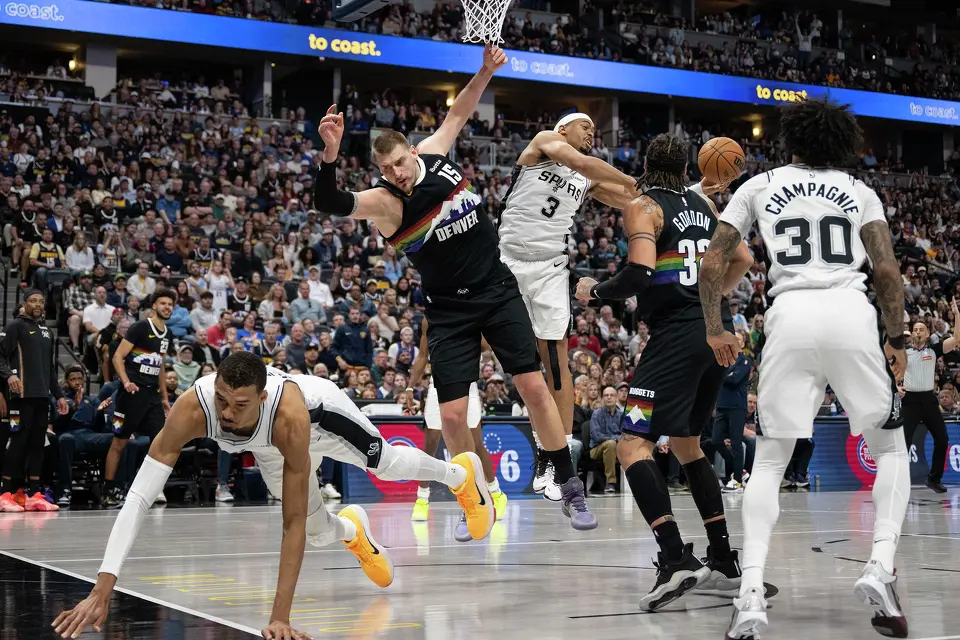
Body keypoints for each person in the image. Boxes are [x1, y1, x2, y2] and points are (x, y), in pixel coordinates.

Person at [315, 44, 596, 530]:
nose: (397, 174)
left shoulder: (434, 154)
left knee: (533, 385)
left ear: (410, 151)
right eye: (386, 169)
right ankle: (477, 499)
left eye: (400, 162)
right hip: (448, 311)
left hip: (497, 288)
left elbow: (460, 110)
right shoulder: (384, 202)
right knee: (450, 419)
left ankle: (570, 486)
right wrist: (330, 154)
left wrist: (485, 70)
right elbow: (329, 200)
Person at [52, 353, 494, 639]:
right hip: (268, 451)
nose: (226, 414)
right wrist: (103, 586)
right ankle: (352, 530)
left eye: (239, 405)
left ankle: (458, 476)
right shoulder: (194, 408)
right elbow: (138, 498)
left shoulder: (288, 417)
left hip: (322, 418)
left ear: (261, 398)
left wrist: (279, 616)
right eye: (222, 400)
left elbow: (290, 523)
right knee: (321, 534)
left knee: (385, 464)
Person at [699, 99, 910, 639]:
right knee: (889, 447)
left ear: (790, 137)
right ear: (842, 142)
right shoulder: (860, 192)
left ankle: (750, 595)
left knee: (769, 461)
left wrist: (716, 325)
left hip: (789, 316)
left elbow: (712, 262)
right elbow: (885, 270)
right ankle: (881, 564)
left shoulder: (760, 185)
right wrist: (898, 336)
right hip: (849, 314)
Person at [574, 133, 753, 610]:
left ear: (646, 166)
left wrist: (593, 291)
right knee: (690, 445)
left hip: (675, 336)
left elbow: (638, 275)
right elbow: (743, 259)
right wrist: (710, 299)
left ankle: (674, 558)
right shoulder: (704, 206)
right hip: (717, 333)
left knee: (633, 443)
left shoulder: (644, 206)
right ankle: (722, 559)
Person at [496, 112, 639, 497]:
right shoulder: (544, 143)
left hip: (549, 267)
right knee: (487, 343)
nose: (592, 133)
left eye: (595, 128)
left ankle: (552, 457)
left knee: (557, 361)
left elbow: (632, 200)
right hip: (507, 258)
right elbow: (582, 163)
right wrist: (629, 179)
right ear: (563, 129)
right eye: (585, 126)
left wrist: (676, 192)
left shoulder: (587, 179)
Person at [407, 315, 507, 536]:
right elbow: (423, 355)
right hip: (438, 385)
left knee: (476, 446)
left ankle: (495, 492)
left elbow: (488, 345)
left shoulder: (469, 314)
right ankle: (422, 498)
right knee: (430, 445)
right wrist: (409, 388)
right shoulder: (428, 319)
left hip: (467, 386)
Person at [103, 290, 176, 508]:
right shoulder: (140, 327)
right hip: (131, 394)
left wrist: (164, 397)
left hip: (152, 396)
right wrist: (125, 381)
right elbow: (117, 356)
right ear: (154, 306)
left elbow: (160, 366)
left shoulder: (167, 333)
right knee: (119, 443)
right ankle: (108, 491)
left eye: (170, 304)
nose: (167, 307)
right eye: (163, 303)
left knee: (160, 441)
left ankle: (151, 488)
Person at [0, 289, 68, 512]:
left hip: (42, 397)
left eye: (41, 301)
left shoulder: (47, 331)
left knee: (38, 445)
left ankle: (32, 493)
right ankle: (5, 494)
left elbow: (49, 369)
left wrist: (59, 396)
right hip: (21, 397)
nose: (37, 304)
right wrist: (9, 375)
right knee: (18, 443)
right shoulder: (15, 327)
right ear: (24, 303)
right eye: (32, 301)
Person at [902, 307, 956, 493]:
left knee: (942, 440)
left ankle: (934, 479)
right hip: (909, 401)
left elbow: (956, 340)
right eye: (915, 329)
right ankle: (899, 480)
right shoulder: (903, 352)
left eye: (921, 329)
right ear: (911, 333)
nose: (917, 332)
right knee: (904, 443)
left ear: (927, 334)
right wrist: (897, 386)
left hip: (929, 400)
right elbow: (890, 370)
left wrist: (957, 315)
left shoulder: (934, 349)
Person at [714, 332, 753, 492]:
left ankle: (737, 481)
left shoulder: (744, 360)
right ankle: (740, 470)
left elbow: (734, 380)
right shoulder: (723, 359)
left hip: (737, 406)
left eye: (738, 339)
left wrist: (723, 376)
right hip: (722, 405)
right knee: (716, 441)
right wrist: (725, 375)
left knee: (736, 443)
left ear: (742, 343)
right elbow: (720, 377)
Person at [589, 386, 622, 493]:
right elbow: (597, 436)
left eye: (611, 395)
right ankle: (610, 482)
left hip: (617, 447)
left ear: (616, 398)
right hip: (596, 449)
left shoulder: (621, 415)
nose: (609, 398)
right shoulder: (597, 414)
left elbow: (625, 435)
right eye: (606, 395)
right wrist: (616, 439)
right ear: (602, 398)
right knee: (611, 444)